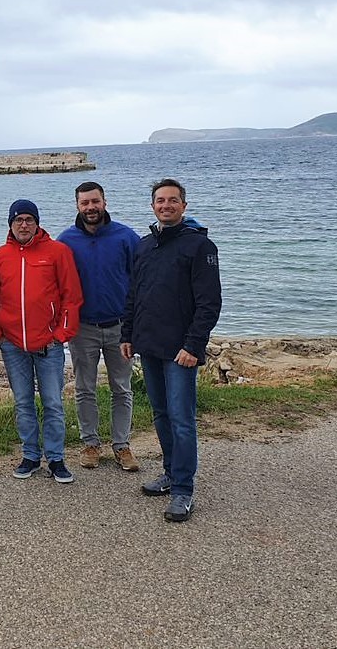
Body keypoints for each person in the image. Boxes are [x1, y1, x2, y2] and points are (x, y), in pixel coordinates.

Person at [121, 178, 222, 523]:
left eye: (173, 200)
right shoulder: (145, 246)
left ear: (184, 206)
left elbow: (209, 304)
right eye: (160, 201)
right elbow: (135, 294)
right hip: (149, 345)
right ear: (152, 206)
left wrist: (194, 345)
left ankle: (183, 490)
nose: (166, 205)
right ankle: (169, 472)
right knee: (161, 415)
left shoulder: (200, 246)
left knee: (182, 419)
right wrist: (127, 334)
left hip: (181, 351)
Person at [0, 199, 83, 483]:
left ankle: (56, 458)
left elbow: (71, 297)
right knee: (23, 402)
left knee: (53, 403)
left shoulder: (58, 252)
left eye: (28, 219)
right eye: (18, 220)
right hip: (13, 344)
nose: (23, 225)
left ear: (37, 222)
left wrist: (61, 333)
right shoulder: (0, 256)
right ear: (10, 225)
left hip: (48, 345)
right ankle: (30, 455)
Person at [57, 181, 142, 472]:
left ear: (104, 202)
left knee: (122, 387)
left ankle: (122, 446)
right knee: (84, 388)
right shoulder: (66, 241)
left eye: (95, 202)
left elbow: (140, 280)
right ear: (77, 206)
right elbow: (55, 285)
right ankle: (90, 444)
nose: (90, 208)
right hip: (82, 328)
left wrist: (137, 322)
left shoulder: (126, 237)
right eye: (85, 203)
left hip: (120, 327)